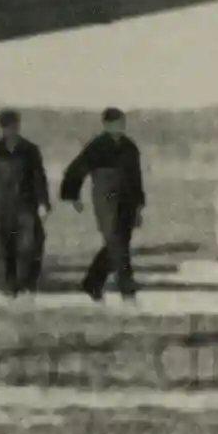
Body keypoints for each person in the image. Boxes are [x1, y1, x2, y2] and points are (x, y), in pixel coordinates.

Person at [59, 106, 148, 302]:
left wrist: (139, 207)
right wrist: (73, 197)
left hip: (127, 201)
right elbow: (76, 170)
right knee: (116, 242)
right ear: (106, 125)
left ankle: (92, 282)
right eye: (115, 124)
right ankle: (128, 291)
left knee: (118, 243)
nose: (119, 128)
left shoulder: (130, 147)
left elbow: (137, 178)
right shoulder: (97, 146)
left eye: (122, 124)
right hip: (105, 200)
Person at [0, 107, 50, 297]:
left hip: (25, 206)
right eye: (7, 127)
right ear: (2, 128)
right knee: (1, 248)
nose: (11, 130)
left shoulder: (30, 151)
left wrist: (43, 203)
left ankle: (24, 284)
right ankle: (7, 288)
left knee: (28, 246)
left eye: (14, 126)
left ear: (18, 126)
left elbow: (38, 178)